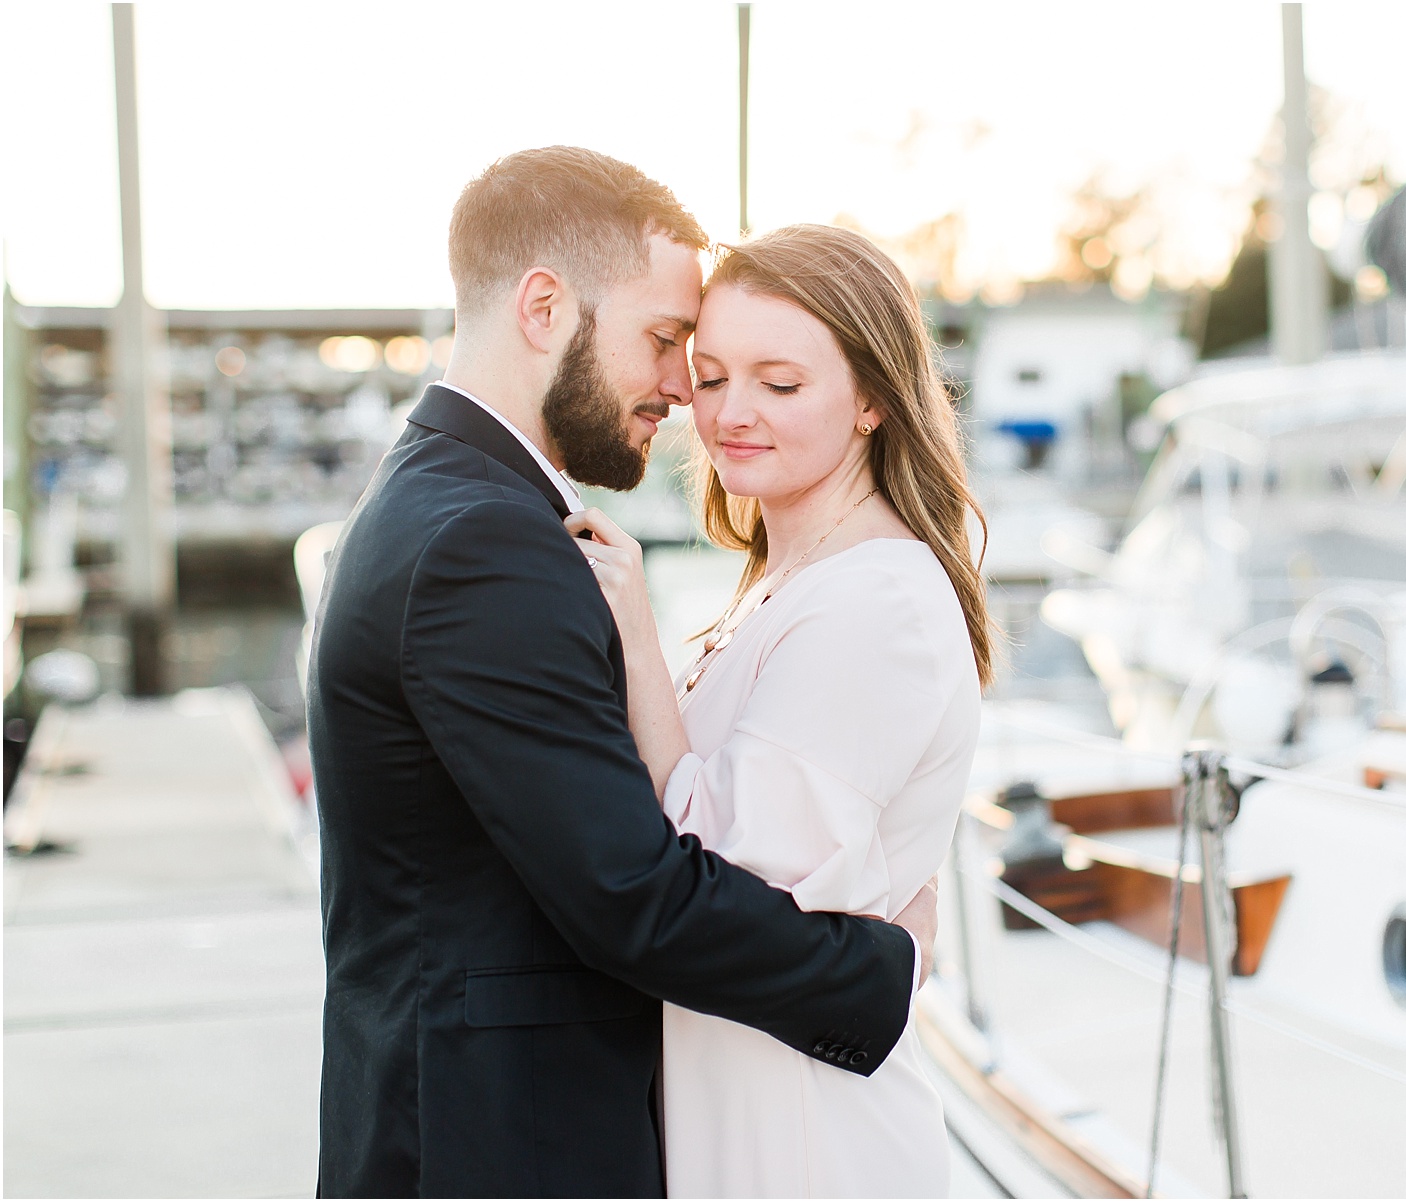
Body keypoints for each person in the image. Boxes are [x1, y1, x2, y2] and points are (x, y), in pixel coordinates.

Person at [306, 149, 937, 1198]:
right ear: (546, 307)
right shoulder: (483, 541)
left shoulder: (453, 500)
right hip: (501, 1149)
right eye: (665, 340)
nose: (684, 388)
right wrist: (881, 972)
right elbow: (630, 894)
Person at [569, 224, 992, 1198]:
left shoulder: (873, 601)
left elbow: (720, 887)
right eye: (710, 377)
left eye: (780, 382)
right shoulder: (791, 578)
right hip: (747, 1113)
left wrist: (633, 629)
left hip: (812, 1145)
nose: (731, 414)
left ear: (874, 398)